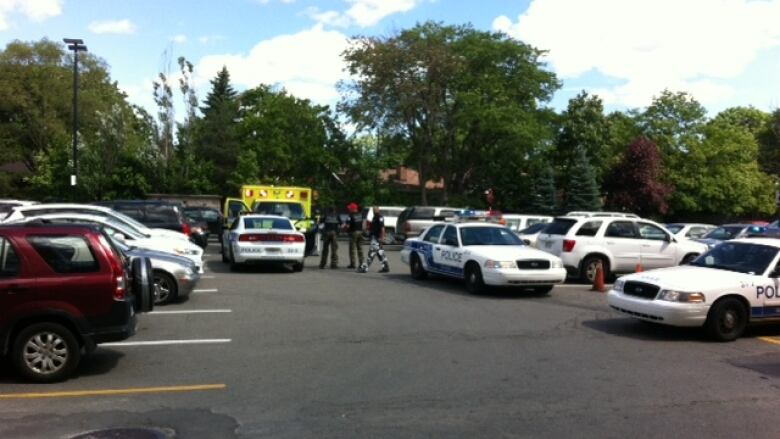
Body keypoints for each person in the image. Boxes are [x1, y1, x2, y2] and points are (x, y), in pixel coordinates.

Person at [358, 206, 389, 273]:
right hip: (374, 237)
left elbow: (382, 228)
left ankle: (365, 268)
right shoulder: (374, 217)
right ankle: (385, 267)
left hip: (377, 238)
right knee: (380, 253)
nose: (374, 211)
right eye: (373, 210)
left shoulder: (380, 217)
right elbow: (373, 227)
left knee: (371, 253)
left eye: (375, 209)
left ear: (378, 210)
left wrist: (382, 237)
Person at [345, 202, 363, 269]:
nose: (349, 209)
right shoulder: (360, 215)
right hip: (360, 232)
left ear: (352, 209)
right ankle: (361, 263)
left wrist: (345, 228)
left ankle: (353, 264)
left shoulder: (350, 215)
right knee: (360, 248)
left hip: (353, 233)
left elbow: (347, 226)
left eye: (350, 208)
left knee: (352, 249)